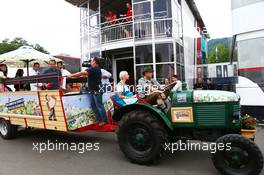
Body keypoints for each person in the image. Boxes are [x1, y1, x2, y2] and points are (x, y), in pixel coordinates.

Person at [67, 57, 107, 126]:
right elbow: (82, 74)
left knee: (99, 106)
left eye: (91, 61)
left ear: (94, 62)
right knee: (94, 106)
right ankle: (99, 119)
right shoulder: (95, 69)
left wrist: (71, 75)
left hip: (96, 90)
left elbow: (82, 73)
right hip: (94, 90)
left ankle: (104, 120)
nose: (90, 62)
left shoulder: (93, 69)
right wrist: (72, 76)